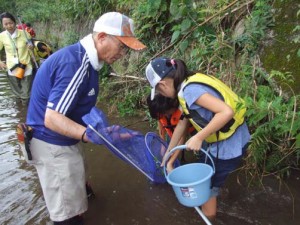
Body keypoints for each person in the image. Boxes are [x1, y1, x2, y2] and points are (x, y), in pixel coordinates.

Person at [25, 12, 146, 225]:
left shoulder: (89, 62)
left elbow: (74, 104)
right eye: (122, 46)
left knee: (79, 190)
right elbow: (52, 118)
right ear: (101, 37)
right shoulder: (76, 64)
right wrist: (88, 135)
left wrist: (103, 132)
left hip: (63, 140)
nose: (123, 54)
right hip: (51, 144)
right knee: (67, 216)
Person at [145, 57, 250, 219]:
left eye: (159, 90)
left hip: (226, 146)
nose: (161, 94)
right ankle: (216, 190)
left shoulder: (190, 91)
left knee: (207, 188)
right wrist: (169, 156)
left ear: (163, 84)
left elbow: (226, 112)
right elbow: (182, 123)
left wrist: (198, 137)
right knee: (211, 175)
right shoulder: (188, 83)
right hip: (235, 137)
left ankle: (209, 216)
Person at [0, 12, 34, 105]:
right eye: (6, 24)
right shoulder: (2, 36)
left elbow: (32, 47)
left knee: (26, 95)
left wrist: (31, 47)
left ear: (15, 23)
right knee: (17, 94)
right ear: (2, 25)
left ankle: (25, 113)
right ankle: (20, 113)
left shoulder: (25, 33)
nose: (9, 26)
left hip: (26, 66)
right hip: (12, 67)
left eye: (10, 23)